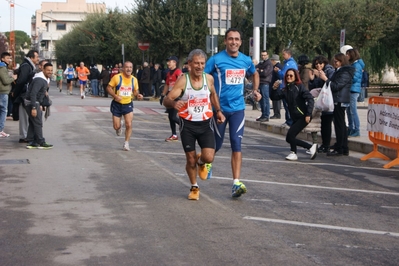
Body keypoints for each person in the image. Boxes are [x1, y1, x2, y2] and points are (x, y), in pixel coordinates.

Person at [204, 28, 260, 198]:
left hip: (238, 109)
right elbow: (204, 79)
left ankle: (236, 182)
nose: (233, 42)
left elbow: (254, 73)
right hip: (219, 110)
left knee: (237, 143)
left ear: (241, 42)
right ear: (225, 41)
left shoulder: (245, 60)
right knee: (216, 146)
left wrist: (255, 90)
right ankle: (203, 162)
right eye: (230, 39)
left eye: (236, 39)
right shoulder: (216, 60)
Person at [163, 49, 225, 200]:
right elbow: (166, 99)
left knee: (209, 157)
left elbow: (213, 94)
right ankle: (194, 187)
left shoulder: (209, 79)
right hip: (188, 125)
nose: (199, 66)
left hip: (205, 123)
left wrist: (218, 111)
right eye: (196, 63)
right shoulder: (183, 80)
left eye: (202, 63)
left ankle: (201, 161)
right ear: (189, 64)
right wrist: (174, 103)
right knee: (190, 159)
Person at [271, 69, 317, 161]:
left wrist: (308, 114)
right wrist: (274, 89)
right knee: (290, 138)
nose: (289, 77)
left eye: (291, 76)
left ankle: (295, 152)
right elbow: (274, 97)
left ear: (295, 77)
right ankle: (307, 148)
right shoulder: (286, 89)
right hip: (295, 117)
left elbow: (310, 99)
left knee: (290, 135)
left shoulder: (299, 87)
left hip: (303, 116)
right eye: (287, 75)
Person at [319, 53, 355, 156]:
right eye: (334, 61)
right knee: (341, 124)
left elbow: (336, 86)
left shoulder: (344, 72)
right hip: (338, 99)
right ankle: (342, 146)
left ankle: (340, 147)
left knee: (339, 125)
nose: (335, 63)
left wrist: (325, 79)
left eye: (337, 61)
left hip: (339, 99)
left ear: (342, 61)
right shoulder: (339, 71)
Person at [106, 61, 143, 151]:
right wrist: (115, 96)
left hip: (128, 104)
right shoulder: (117, 78)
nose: (129, 69)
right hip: (117, 104)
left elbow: (135, 91)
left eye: (130, 67)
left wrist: (138, 95)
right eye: (127, 67)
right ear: (123, 68)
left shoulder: (134, 79)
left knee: (129, 124)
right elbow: (108, 88)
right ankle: (119, 127)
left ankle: (126, 143)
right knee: (116, 126)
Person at [10, 49, 39, 143]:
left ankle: (27, 135)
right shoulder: (26, 66)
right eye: (37, 57)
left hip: (25, 93)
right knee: (24, 116)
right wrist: (15, 92)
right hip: (24, 94)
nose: (38, 59)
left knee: (26, 115)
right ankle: (24, 136)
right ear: (31, 57)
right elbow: (22, 81)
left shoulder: (28, 65)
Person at [308, 55, 335, 153]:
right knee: (323, 123)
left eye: (320, 63)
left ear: (324, 63)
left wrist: (323, 77)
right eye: (316, 64)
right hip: (320, 100)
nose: (318, 65)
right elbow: (314, 87)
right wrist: (312, 79)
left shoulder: (329, 70)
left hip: (328, 100)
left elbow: (332, 84)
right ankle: (324, 144)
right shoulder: (317, 72)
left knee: (327, 123)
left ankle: (327, 145)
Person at [24, 63, 53, 149]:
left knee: (33, 122)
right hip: (32, 103)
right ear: (43, 70)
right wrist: (34, 107)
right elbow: (33, 94)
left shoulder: (42, 79)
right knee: (38, 123)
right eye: (48, 70)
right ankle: (41, 141)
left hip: (33, 102)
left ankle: (31, 141)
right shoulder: (40, 80)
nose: (50, 72)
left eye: (51, 70)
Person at [160, 56, 183, 142]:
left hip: (176, 97)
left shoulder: (178, 72)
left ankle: (185, 126)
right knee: (170, 117)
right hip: (170, 97)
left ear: (175, 63)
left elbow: (181, 84)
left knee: (173, 117)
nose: (168, 63)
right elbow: (167, 85)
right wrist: (163, 95)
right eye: (168, 61)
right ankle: (174, 134)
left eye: (170, 62)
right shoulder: (169, 73)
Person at [274, 48, 298, 127]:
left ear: (288, 54)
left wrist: (278, 71)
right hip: (286, 86)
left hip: (287, 87)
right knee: (287, 105)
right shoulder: (289, 63)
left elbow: (284, 75)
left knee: (288, 105)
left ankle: (290, 122)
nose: (283, 56)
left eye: (284, 54)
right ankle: (288, 120)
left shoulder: (289, 64)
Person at [346, 48, 365, 137]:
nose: (346, 56)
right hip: (350, 89)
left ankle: (356, 129)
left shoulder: (356, 66)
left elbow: (354, 78)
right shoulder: (353, 65)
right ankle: (350, 128)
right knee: (349, 110)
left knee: (353, 110)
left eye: (348, 54)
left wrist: (346, 78)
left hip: (353, 90)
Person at [0, 52, 17, 138]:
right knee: (3, 111)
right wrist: (13, 78)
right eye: (7, 58)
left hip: (2, 91)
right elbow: (5, 81)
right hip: (3, 91)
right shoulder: (2, 67)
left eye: (10, 58)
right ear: (2, 59)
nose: (9, 60)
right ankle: (0, 130)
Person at [256, 50, 273, 122]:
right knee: (261, 100)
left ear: (267, 55)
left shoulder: (269, 63)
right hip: (260, 82)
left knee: (265, 100)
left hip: (265, 83)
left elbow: (265, 73)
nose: (263, 56)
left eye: (264, 55)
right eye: (262, 55)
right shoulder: (261, 63)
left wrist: (259, 71)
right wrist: (261, 70)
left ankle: (266, 115)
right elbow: (255, 69)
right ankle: (263, 114)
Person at [270, 54, 282, 119]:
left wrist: (275, 84)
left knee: (276, 100)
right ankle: (276, 113)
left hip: (277, 86)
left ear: (273, 60)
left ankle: (277, 114)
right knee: (275, 100)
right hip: (276, 86)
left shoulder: (277, 67)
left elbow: (279, 77)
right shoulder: (277, 66)